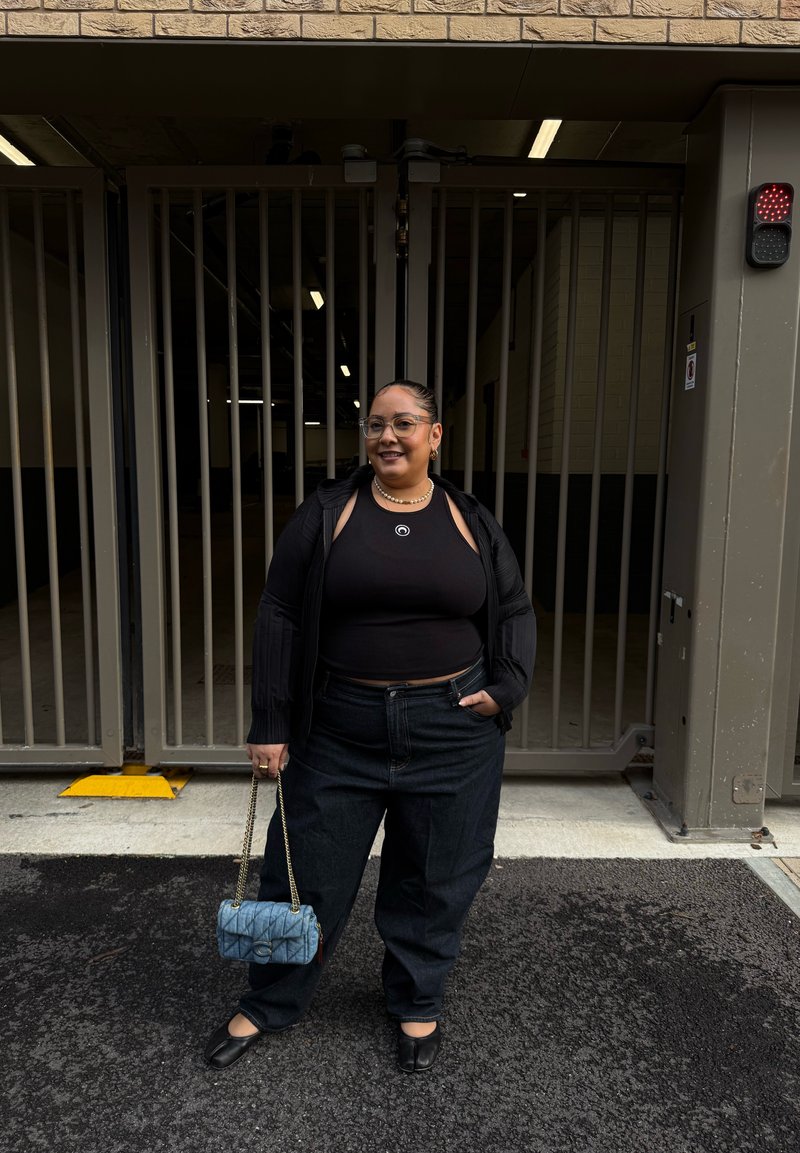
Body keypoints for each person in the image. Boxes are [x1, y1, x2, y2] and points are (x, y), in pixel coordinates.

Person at [204, 380, 536, 1073]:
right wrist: (271, 721)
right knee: (301, 873)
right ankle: (268, 1000)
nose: (388, 436)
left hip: (450, 729)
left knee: (436, 876)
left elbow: (513, 604)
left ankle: (417, 997)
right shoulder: (329, 512)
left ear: (435, 435)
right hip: (338, 726)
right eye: (376, 424)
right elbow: (280, 612)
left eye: (405, 423)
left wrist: (504, 688)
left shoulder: (469, 516)